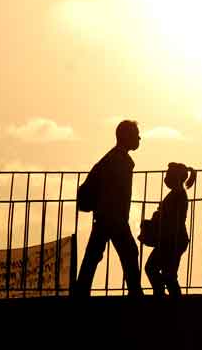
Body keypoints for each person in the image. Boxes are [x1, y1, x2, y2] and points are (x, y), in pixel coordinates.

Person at [74, 120, 144, 297]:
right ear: (126, 136)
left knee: (94, 254)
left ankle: (80, 291)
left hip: (105, 215)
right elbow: (115, 192)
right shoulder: (118, 161)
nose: (139, 138)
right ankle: (135, 293)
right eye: (136, 135)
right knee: (129, 252)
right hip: (114, 217)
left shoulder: (111, 158)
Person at [143, 162, 196, 298]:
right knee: (166, 273)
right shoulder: (176, 194)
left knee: (162, 272)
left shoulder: (178, 195)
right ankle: (165, 296)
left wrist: (158, 218)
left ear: (176, 177)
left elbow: (174, 219)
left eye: (168, 175)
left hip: (172, 240)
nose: (165, 179)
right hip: (172, 239)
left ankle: (167, 299)